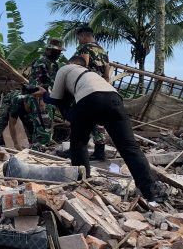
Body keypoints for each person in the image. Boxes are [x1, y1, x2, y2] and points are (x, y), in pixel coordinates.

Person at [40, 58, 166, 203]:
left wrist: (44, 94)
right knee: (130, 147)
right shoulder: (91, 74)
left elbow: (55, 99)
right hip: (114, 99)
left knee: (79, 144)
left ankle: (82, 184)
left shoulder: (65, 69)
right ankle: (150, 192)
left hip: (89, 100)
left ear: (70, 63)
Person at [74, 24, 111, 160]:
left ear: (84, 35)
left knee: (80, 119)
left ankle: (77, 150)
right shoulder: (103, 51)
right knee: (99, 121)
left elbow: (81, 67)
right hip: (101, 88)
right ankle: (99, 152)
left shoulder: (85, 48)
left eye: (78, 38)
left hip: (87, 88)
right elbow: (107, 74)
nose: (78, 41)